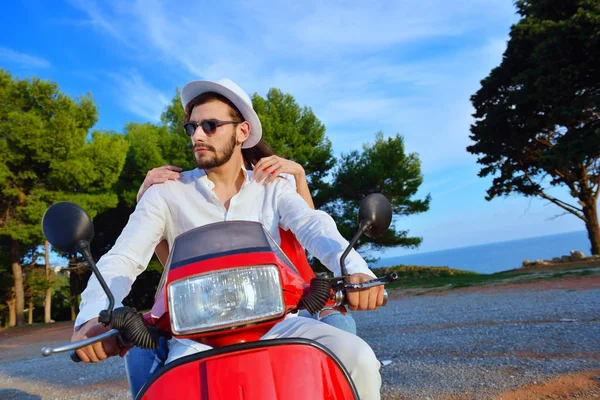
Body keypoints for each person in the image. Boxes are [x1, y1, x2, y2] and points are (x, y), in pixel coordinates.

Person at [72, 78, 383, 400]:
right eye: (191, 127)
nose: (198, 135)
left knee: (356, 357)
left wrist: (357, 271)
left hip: (278, 324)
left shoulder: (272, 186)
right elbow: (124, 256)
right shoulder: (165, 193)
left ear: (242, 132)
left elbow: (313, 226)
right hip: (194, 337)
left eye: (210, 125)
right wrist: (93, 315)